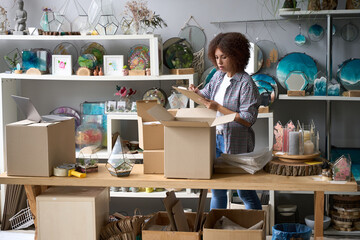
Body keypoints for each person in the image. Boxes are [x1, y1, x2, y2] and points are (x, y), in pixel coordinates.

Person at [189, 32, 262, 210]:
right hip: (215, 138)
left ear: (237, 56)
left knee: (244, 191)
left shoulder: (246, 83)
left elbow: (248, 119)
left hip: (237, 142)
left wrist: (219, 108)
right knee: (217, 190)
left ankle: (255, 231)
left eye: (224, 57)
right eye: (216, 57)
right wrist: (194, 93)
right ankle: (217, 230)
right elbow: (206, 96)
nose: (219, 62)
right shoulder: (218, 76)